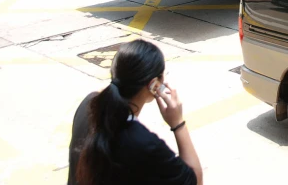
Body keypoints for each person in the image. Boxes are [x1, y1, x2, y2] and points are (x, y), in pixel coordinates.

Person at [69, 39, 202, 185]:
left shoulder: (89, 104)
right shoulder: (143, 143)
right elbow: (195, 180)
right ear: (154, 85)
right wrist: (177, 123)